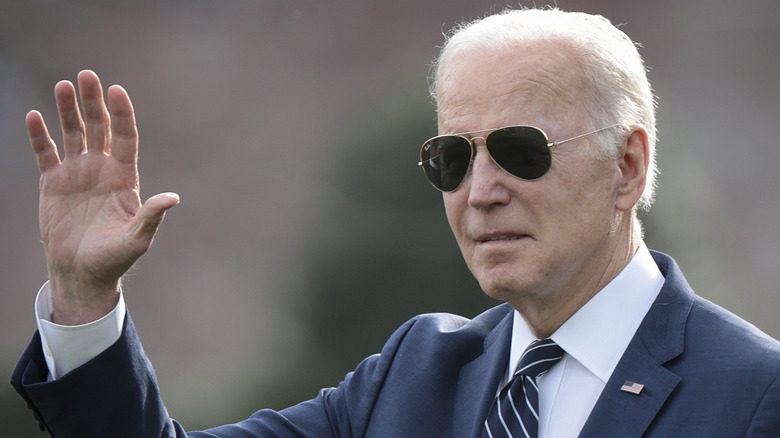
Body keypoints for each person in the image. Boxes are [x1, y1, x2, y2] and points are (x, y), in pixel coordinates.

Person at [10, 7, 780, 438]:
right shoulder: (412, 376)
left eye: (519, 150)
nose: (480, 191)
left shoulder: (753, 396)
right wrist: (83, 297)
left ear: (628, 167)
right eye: (452, 157)